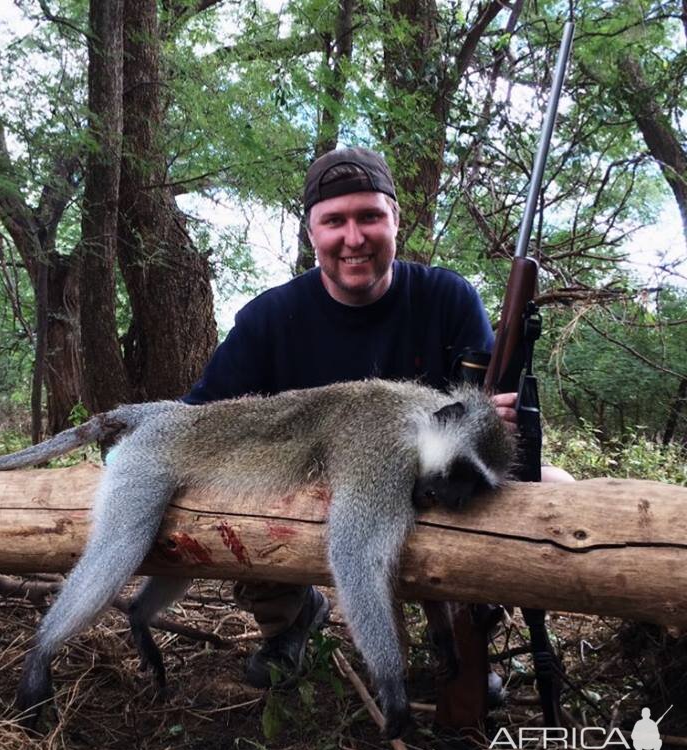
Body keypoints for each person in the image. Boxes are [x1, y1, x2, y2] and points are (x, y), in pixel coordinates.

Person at [184, 146, 569, 693]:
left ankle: (461, 640)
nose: (354, 237)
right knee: (232, 492)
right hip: (310, 491)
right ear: (312, 232)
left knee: (557, 489)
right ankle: (289, 620)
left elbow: (489, 425)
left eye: (369, 216)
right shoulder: (269, 317)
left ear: (395, 221)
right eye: (334, 221)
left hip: (432, 488)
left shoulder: (447, 297)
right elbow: (200, 419)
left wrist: (491, 427)